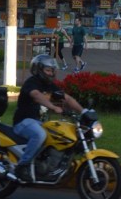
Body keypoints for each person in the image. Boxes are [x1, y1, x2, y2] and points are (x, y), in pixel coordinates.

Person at [12, 53, 83, 182]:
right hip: (23, 122)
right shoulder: (31, 82)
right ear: (39, 70)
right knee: (39, 135)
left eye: (52, 70)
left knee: (58, 133)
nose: (51, 73)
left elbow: (66, 97)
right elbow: (36, 95)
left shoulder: (49, 85)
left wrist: (83, 111)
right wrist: (53, 107)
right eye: (48, 70)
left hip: (37, 122)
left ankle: (48, 166)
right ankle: (22, 166)